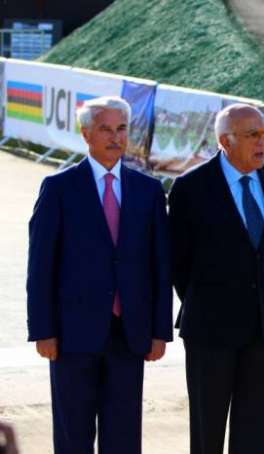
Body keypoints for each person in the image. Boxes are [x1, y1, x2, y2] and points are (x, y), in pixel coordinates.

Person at [26, 96, 173, 454]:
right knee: (73, 436)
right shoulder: (59, 188)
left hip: (130, 334)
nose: (115, 137)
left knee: (123, 437)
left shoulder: (148, 190)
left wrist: (159, 331)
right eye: (106, 129)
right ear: (86, 133)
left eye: (121, 128)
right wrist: (43, 330)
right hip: (71, 336)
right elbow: (41, 265)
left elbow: (159, 265)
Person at [169, 103, 264, 454]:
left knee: (257, 430)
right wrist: (207, 301)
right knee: (208, 430)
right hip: (210, 328)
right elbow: (178, 261)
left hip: (261, 326)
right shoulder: (192, 187)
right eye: (252, 135)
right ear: (226, 141)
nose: (262, 141)